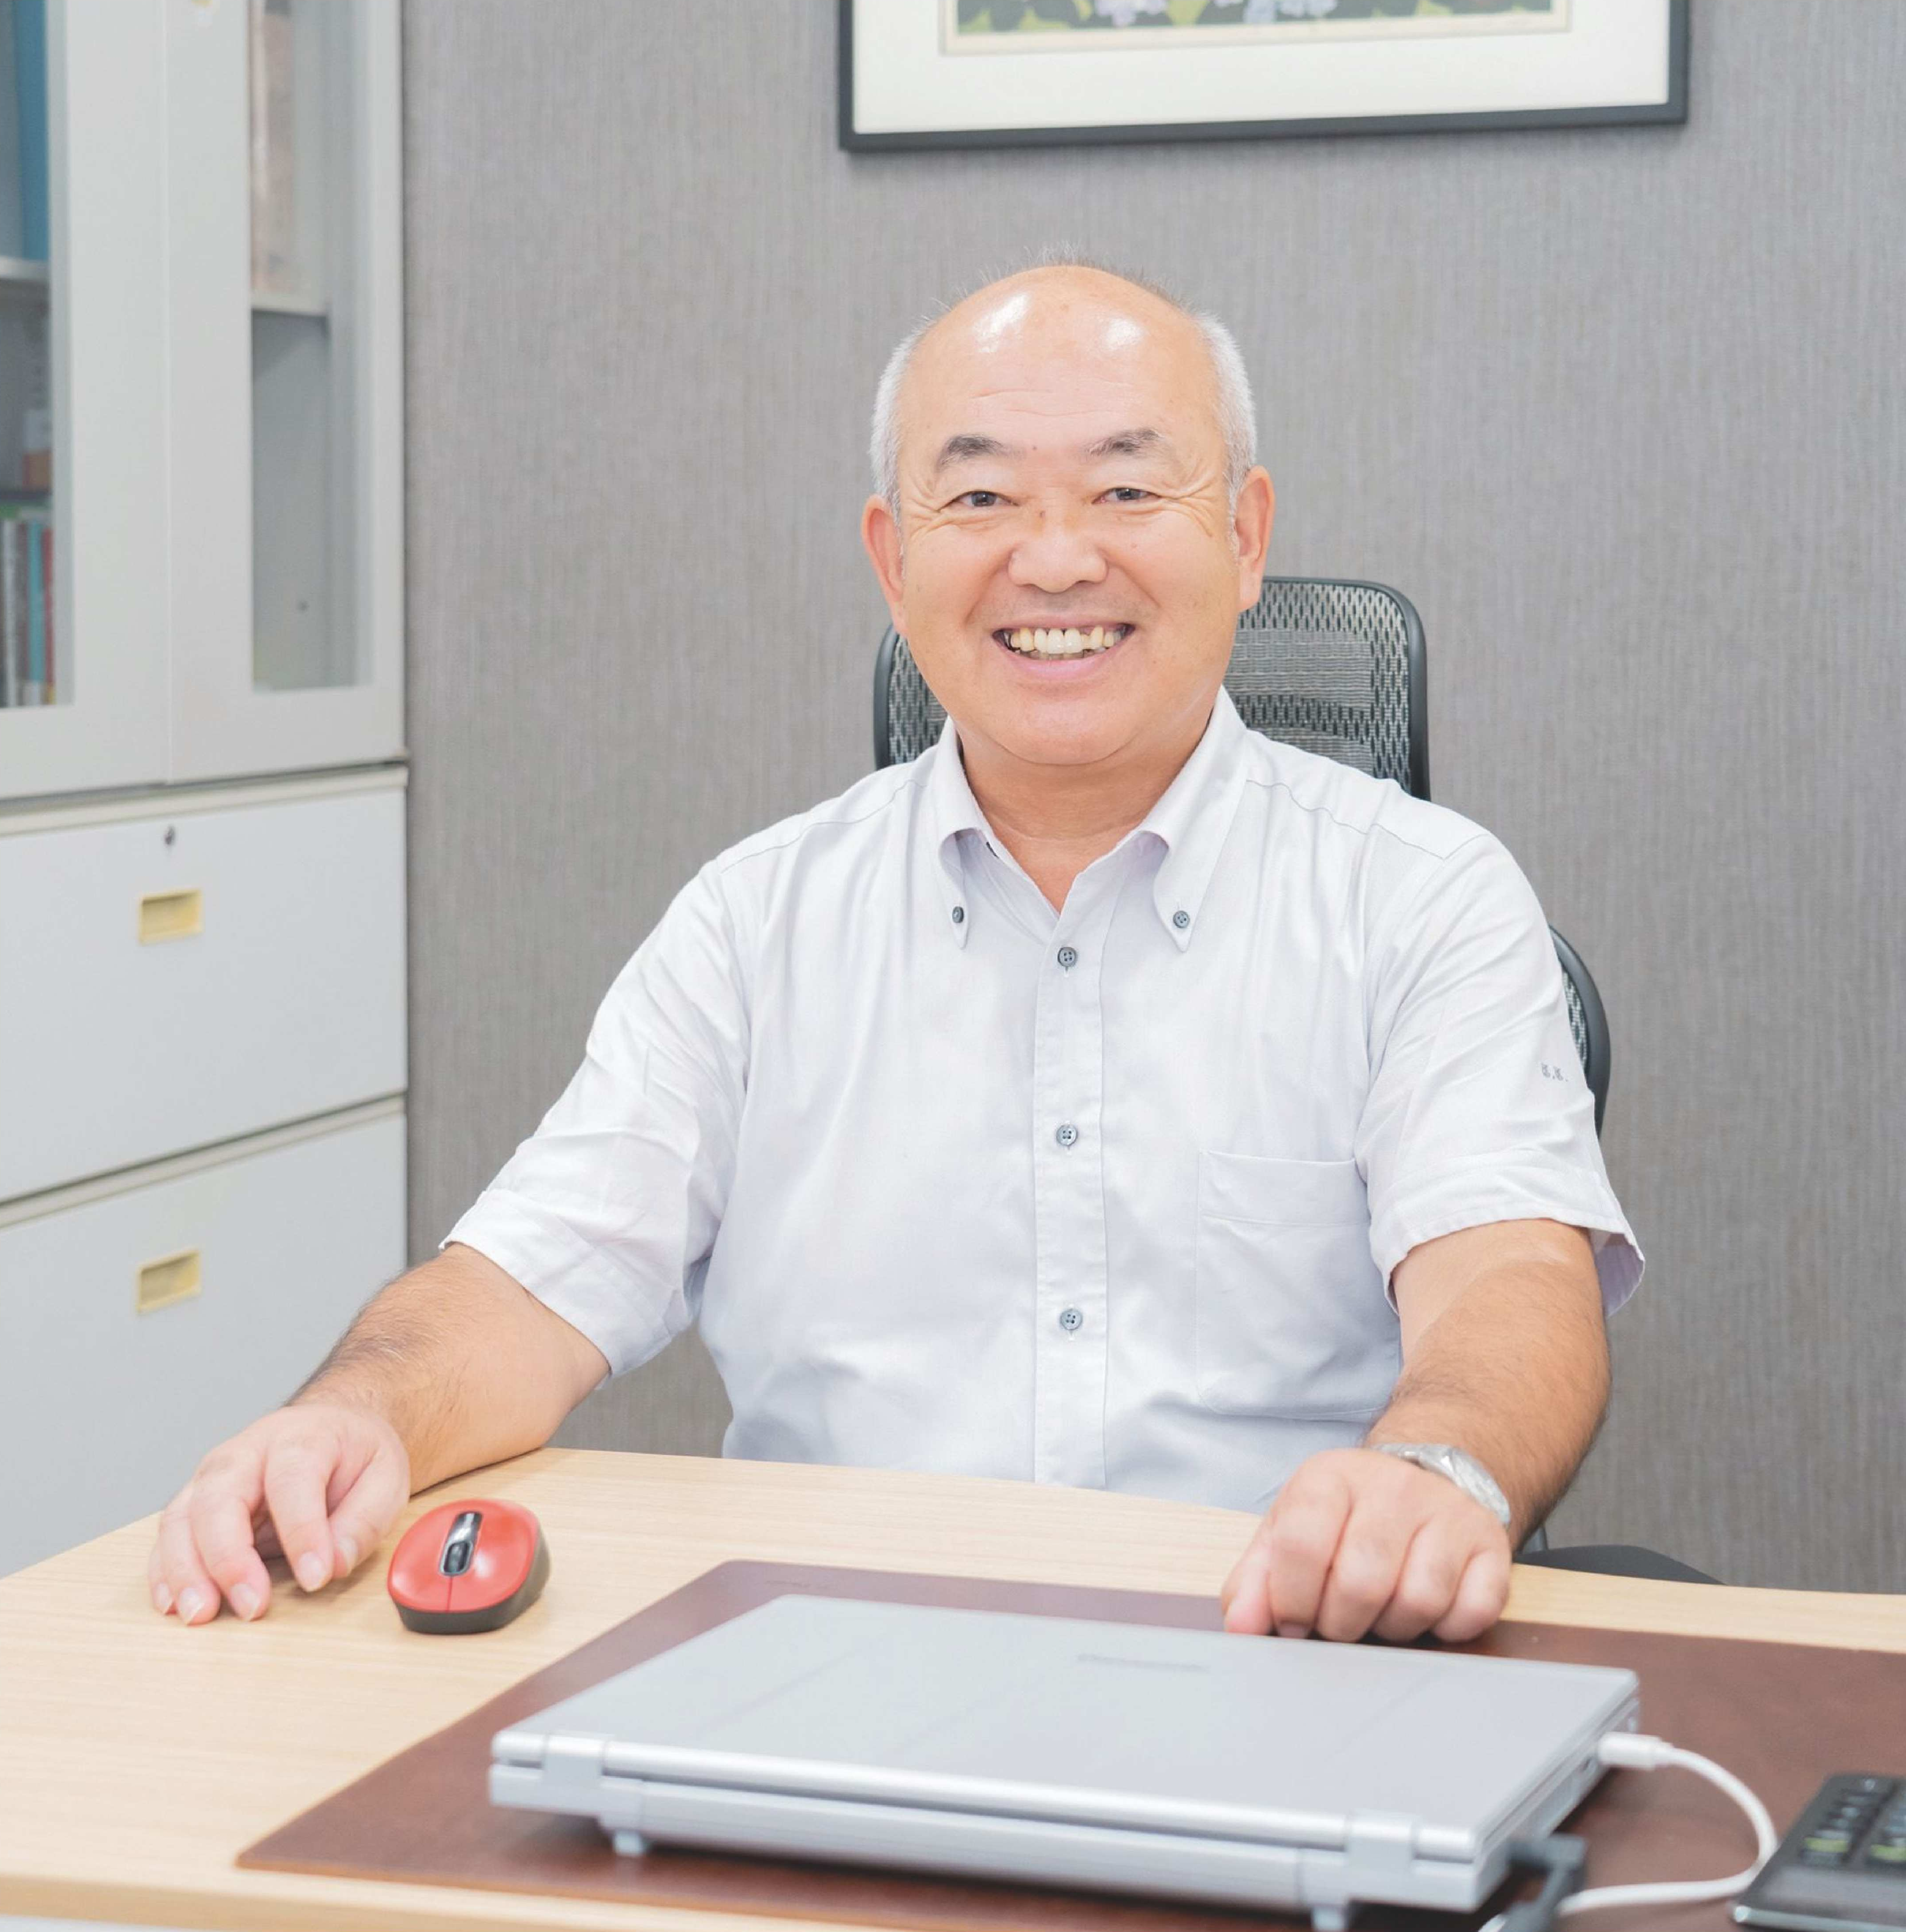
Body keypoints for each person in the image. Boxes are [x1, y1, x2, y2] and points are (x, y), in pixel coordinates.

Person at [148, 260, 1639, 1646]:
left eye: (1127, 488)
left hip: (1280, 1646)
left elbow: (1510, 1278)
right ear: (893, 558)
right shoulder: (755, 923)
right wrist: (354, 1418)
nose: (1055, 559)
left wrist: (1436, 1469)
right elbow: (518, 1293)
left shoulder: (1422, 899)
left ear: (1244, 538)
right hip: (830, 1661)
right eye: (981, 497)